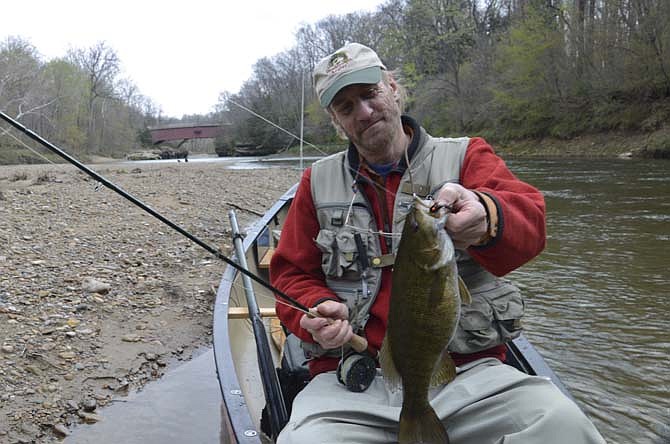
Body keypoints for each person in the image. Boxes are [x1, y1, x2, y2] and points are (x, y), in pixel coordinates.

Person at [270, 42, 605, 444]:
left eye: (369, 93)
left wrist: (488, 215)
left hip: (469, 373)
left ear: (393, 88)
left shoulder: (467, 156)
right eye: (345, 106)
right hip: (352, 381)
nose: (362, 111)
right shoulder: (316, 183)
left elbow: (532, 224)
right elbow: (290, 273)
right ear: (336, 121)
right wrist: (313, 312)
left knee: (561, 425)